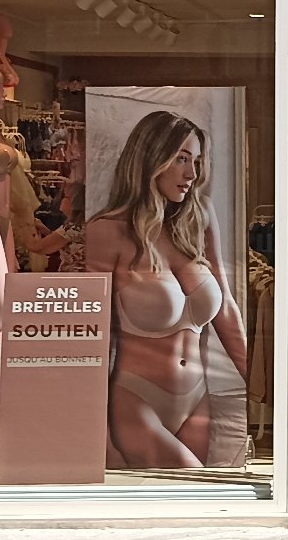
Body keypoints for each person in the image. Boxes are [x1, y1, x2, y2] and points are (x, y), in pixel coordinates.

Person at [87, 111, 248, 468]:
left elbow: (225, 309)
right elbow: (95, 339)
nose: (192, 174)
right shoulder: (107, 231)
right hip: (135, 400)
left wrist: (265, 385)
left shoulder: (198, 217)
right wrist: (101, 436)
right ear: (151, 158)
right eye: (181, 159)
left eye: (196, 161)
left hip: (196, 399)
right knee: (197, 488)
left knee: (196, 497)